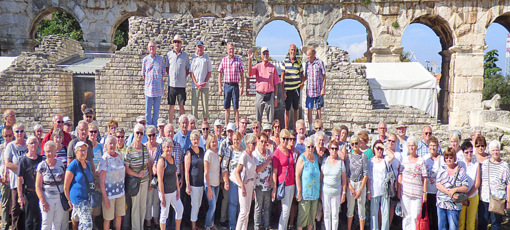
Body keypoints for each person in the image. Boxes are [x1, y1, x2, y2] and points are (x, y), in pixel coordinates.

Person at [478, 140, 510, 230]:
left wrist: (508, 201)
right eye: (493, 150)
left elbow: (508, 183)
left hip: (498, 199)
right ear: (490, 151)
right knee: (482, 222)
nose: (495, 152)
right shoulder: (485, 164)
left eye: (497, 150)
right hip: (484, 198)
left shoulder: (504, 165)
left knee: (496, 224)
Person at [124, 124, 150, 230]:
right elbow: (126, 168)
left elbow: (148, 165)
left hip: (144, 181)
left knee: (143, 206)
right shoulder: (129, 149)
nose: (139, 135)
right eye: (137, 133)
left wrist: (149, 180)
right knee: (135, 207)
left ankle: (141, 227)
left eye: (141, 133)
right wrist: (137, 175)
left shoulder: (144, 148)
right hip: (134, 182)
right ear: (134, 133)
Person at [36, 141, 67, 230]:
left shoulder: (60, 164)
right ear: (45, 152)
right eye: (48, 151)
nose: (50, 154)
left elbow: (64, 181)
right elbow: (38, 186)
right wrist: (43, 202)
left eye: (52, 151)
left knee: (57, 224)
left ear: (55, 151)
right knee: (46, 224)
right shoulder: (41, 166)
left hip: (59, 199)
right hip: (47, 198)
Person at [435, 147, 469, 230]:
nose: (449, 159)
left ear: (454, 158)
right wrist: (448, 192)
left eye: (451, 157)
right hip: (441, 203)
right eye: (446, 157)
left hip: (454, 204)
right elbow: (438, 184)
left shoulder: (460, 170)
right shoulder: (441, 169)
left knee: (453, 227)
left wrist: (455, 190)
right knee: (442, 227)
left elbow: (466, 187)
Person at [398, 137, 427, 230]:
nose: (411, 147)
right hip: (405, 193)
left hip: (417, 194)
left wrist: (424, 193)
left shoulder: (421, 160)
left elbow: (424, 178)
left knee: (415, 216)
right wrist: (399, 191)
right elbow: (400, 175)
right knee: (406, 216)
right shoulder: (404, 160)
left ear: (416, 147)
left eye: (413, 145)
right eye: (409, 146)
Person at [64, 141, 94, 230]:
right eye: (81, 150)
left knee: (82, 225)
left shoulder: (87, 163)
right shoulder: (73, 165)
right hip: (78, 199)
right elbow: (66, 186)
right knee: (87, 224)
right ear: (76, 152)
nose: (83, 153)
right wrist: (69, 200)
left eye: (85, 150)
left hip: (87, 198)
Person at [98, 135, 126, 230]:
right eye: (110, 143)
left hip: (120, 193)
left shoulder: (119, 156)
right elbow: (101, 181)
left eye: (114, 143)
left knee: (119, 216)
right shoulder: (104, 159)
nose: (113, 145)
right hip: (109, 195)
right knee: (108, 219)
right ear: (106, 145)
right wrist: (105, 199)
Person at [4, 123, 28, 229]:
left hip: (29, 182)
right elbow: (7, 163)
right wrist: (22, 170)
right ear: (14, 133)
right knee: (16, 209)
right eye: (17, 131)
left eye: (21, 131)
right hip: (15, 183)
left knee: (28, 209)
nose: (19, 133)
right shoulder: (10, 146)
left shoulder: (29, 144)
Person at [247, 47, 280, 123]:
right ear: (261, 55)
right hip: (260, 95)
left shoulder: (272, 68)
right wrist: (250, 60)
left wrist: (275, 97)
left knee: (270, 119)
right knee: (258, 119)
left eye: (267, 53)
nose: (265, 55)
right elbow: (250, 72)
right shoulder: (258, 66)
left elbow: (276, 84)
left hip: (270, 95)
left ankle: (270, 133)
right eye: (264, 53)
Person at [157, 137, 183, 230]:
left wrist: (178, 190)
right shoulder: (161, 161)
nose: (169, 149)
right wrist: (163, 196)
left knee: (180, 209)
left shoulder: (172, 157)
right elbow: (160, 179)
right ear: (163, 147)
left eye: (170, 147)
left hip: (173, 191)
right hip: (166, 192)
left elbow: (175, 174)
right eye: (167, 147)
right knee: (164, 214)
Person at [17, 136, 43, 229]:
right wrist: (20, 196)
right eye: (31, 143)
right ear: (27, 145)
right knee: (28, 220)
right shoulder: (23, 160)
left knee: (38, 220)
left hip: (40, 194)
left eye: (35, 143)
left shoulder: (41, 159)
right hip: (28, 194)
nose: (33, 145)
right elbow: (19, 180)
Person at [368, 140, 395, 230]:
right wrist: (368, 191)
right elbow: (368, 177)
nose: (379, 151)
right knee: (374, 213)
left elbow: (392, 156)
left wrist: (384, 147)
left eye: (380, 149)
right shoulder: (370, 161)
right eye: (377, 148)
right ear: (374, 149)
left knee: (385, 214)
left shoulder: (385, 160)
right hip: (374, 190)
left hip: (384, 190)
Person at [221, 131, 245, 230]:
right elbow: (224, 166)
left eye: (238, 139)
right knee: (232, 204)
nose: (236, 141)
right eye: (234, 139)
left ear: (240, 140)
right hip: (232, 181)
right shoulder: (229, 150)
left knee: (241, 205)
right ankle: (232, 226)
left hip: (242, 182)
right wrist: (226, 181)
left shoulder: (243, 151)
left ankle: (240, 225)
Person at [272, 129, 296, 230]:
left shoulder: (290, 151)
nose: (285, 141)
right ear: (280, 139)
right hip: (283, 184)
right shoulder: (276, 153)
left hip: (292, 183)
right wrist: (274, 187)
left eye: (287, 139)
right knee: (285, 210)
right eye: (284, 138)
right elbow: (275, 171)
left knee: (288, 208)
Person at [295, 136, 320, 230]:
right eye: (309, 146)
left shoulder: (316, 157)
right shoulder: (302, 158)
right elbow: (297, 175)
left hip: (315, 192)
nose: (310, 148)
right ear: (305, 147)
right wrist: (299, 191)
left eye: (312, 146)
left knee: (311, 217)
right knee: (303, 216)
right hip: (305, 193)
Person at [321, 140, 347, 230]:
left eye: (336, 149)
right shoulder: (325, 161)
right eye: (332, 148)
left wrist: (343, 193)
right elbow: (321, 177)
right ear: (329, 149)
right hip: (326, 192)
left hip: (336, 192)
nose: (334, 151)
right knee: (326, 214)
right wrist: (320, 191)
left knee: (335, 214)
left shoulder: (341, 163)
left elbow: (344, 180)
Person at [234, 133, 257, 230]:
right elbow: (236, 172)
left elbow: (254, 172)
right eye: (253, 143)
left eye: (255, 143)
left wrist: (252, 190)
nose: (255, 145)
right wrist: (242, 186)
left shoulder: (253, 157)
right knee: (243, 211)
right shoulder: (244, 156)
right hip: (244, 184)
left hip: (250, 184)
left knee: (247, 212)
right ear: (248, 144)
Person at [217, 43, 245, 126]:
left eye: (232, 49)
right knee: (227, 107)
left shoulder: (238, 60)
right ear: (227, 50)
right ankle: (226, 125)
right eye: (229, 49)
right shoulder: (224, 60)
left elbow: (242, 74)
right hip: (227, 85)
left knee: (236, 107)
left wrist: (242, 86)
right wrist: (220, 87)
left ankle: (237, 126)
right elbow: (220, 74)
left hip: (235, 85)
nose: (231, 50)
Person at [346, 135, 369, 230]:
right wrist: (350, 186)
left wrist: (360, 189)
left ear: (360, 143)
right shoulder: (349, 157)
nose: (355, 145)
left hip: (360, 183)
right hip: (351, 182)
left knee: (361, 210)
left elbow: (365, 174)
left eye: (356, 143)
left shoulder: (363, 156)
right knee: (350, 209)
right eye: (353, 144)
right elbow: (346, 173)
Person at [166, 35, 189, 123]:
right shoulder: (169, 55)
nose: (177, 44)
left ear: (181, 44)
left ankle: (182, 123)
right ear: (173, 43)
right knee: (171, 105)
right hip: (172, 84)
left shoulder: (185, 56)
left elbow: (187, 69)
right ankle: (170, 124)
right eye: (175, 42)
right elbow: (167, 68)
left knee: (181, 105)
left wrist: (181, 77)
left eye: (178, 42)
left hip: (181, 85)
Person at [184, 130, 205, 230]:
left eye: (196, 139)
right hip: (193, 183)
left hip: (201, 183)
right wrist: (187, 184)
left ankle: (195, 224)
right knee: (195, 205)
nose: (195, 141)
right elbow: (186, 170)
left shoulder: (201, 150)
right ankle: (193, 227)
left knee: (199, 204)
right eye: (193, 139)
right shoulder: (189, 152)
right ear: (190, 140)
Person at [142, 41, 166, 127]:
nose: (152, 48)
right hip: (149, 89)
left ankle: (155, 128)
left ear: (156, 48)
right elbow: (143, 74)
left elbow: (163, 73)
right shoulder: (145, 60)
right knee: (147, 112)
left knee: (156, 111)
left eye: (153, 46)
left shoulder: (160, 59)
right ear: (148, 48)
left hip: (158, 89)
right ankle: (148, 128)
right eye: (150, 46)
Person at [458, 141, 480, 230]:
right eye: (466, 152)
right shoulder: (459, 164)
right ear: (463, 153)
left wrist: (468, 195)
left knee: (471, 223)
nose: (469, 154)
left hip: (473, 195)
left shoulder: (476, 164)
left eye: (471, 152)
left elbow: (477, 183)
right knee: (461, 222)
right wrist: (463, 197)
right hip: (461, 196)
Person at [423, 136, 444, 230]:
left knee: (436, 217)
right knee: (428, 216)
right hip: (427, 192)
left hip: (437, 192)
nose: (432, 147)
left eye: (434, 145)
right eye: (430, 145)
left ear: (437, 146)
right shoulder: (425, 159)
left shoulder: (442, 159)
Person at [281, 44, 304, 130]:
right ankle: (286, 129)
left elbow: (302, 75)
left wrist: (302, 82)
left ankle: (296, 128)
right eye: (291, 49)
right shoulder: (284, 62)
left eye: (294, 50)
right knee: (287, 109)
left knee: (296, 109)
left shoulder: (299, 63)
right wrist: (283, 91)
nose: (293, 51)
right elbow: (282, 78)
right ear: (289, 50)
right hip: (288, 89)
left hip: (296, 89)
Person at [253, 133, 273, 230]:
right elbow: (257, 169)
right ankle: (257, 226)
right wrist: (267, 162)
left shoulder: (269, 152)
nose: (264, 143)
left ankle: (266, 226)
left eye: (265, 141)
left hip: (268, 185)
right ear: (258, 141)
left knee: (267, 208)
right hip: (258, 186)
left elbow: (272, 167)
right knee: (258, 208)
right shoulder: (255, 154)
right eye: (262, 141)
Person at [303, 48, 326, 131]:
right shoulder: (307, 64)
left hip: (318, 90)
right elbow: (306, 76)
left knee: (318, 109)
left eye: (309, 56)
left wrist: (323, 88)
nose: (308, 58)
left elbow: (324, 76)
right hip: (309, 91)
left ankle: (318, 127)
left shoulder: (320, 63)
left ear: (313, 55)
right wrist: (302, 81)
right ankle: (310, 127)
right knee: (309, 109)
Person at [190, 40, 212, 122]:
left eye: (201, 47)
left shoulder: (206, 57)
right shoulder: (193, 57)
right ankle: (193, 124)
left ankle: (205, 123)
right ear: (196, 48)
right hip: (195, 86)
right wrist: (196, 84)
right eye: (198, 47)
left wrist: (204, 82)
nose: (200, 49)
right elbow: (191, 72)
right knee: (194, 106)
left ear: (203, 48)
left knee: (205, 105)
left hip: (204, 86)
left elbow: (210, 71)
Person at [218, 122, 234, 227]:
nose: (229, 133)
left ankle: (230, 219)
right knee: (226, 199)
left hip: (235, 175)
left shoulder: (238, 142)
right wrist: (221, 179)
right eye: (228, 131)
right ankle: (223, 219)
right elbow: (220, 160)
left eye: (231, 131)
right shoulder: (224, 143)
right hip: (226, 175)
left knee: (233, 199)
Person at [145, 126, 160, 229]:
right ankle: (148, 221)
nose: (152, 137)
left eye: (153, 135)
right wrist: (150, 179)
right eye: (149, 135)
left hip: (159, 177)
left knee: (156, 200)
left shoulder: (160, 147)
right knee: (148, 200)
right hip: (148, 178)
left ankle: (156, 218)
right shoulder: (144, 147)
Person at [204, 136, 220, 230]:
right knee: (212, 206)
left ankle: (211, 224)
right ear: (209, 143)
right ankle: (207, 226)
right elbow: (206, 173)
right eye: (212, 142)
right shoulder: (208, 154)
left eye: (215, 141)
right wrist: (209, 188)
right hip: (210, 185)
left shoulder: (216, 153)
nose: (214, 143)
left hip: (216, 184)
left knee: (214, 207)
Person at [0, 126, 13, 230]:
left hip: (13, 179)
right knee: (5, 203)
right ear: (2, 136)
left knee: (14, 204)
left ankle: (14, 224)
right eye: (6, 136)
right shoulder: (1, 148)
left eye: (9, 135)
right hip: (3, 179)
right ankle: (4, 225)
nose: (8, 138)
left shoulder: (14, 147)